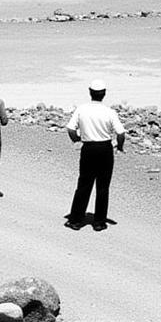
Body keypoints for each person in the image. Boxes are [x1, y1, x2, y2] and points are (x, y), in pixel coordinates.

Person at [65, 79, 126, 231]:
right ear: (104, 94)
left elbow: (71, 129)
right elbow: (121, 133)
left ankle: (76, 219)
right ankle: (99, 222)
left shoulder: (81, 109)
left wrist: (77, 140)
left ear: (90, 92)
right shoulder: (109, 112)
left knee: (84, 184)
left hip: (88, 148)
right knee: (103, 186)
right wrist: (120, 146)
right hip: (105, 149)